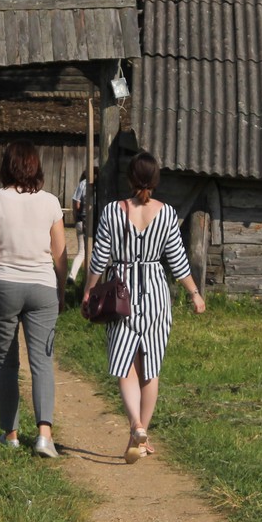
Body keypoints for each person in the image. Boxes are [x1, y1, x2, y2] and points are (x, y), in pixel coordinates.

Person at [82, 151, 206, 464]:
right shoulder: (166, 214)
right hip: (155, 293)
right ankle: (142, 432)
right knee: (150, 367)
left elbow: (99, 257)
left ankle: (135, 426)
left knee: (125, 365)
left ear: (130, 178)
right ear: (155, 180)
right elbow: (177, 261)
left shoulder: (113, 211)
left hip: (119, 294)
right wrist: (194, 293)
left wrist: (88, 291)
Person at [0, 140, 67, 458]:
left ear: (6, 166)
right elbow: (60, 254)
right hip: (42, 287)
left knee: (5, 363)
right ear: (36, 166)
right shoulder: (51, 202)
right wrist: (60, 291)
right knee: (42, 363)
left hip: (4, 286)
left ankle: (10, 435)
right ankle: (45, 437)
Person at [67, 171, 88, 284]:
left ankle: (72, 275)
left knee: (81, 252)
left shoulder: (83, 184)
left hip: (81, 221)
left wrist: (76, 217)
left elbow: (77, 203)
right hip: (95, 222)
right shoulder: (100, 184)